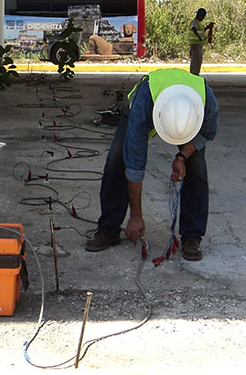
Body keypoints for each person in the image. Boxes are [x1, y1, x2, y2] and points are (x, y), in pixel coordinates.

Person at [85, 68, 219, 261]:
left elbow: (206, 133)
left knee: (197, 169)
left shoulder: (208, 104)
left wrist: (182, 157)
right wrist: (136, 216)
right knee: (116, 160)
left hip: (189, 116)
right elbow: (134, 165)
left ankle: (192, 237)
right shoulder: (142, 108)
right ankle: (109, 229)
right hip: (147, 103)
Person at [188, 8, 214, 76]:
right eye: (202, 17)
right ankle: (194, 74)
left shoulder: (199, 24)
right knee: (195, 61)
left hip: (198, 45)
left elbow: (201, 31)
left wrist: (208, 27)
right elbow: (194, 29)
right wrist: (199, 38)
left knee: (198, 61)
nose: (203, 18)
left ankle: (196, 73)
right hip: (195, 45)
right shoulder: (195, 22)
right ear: (200, 15)